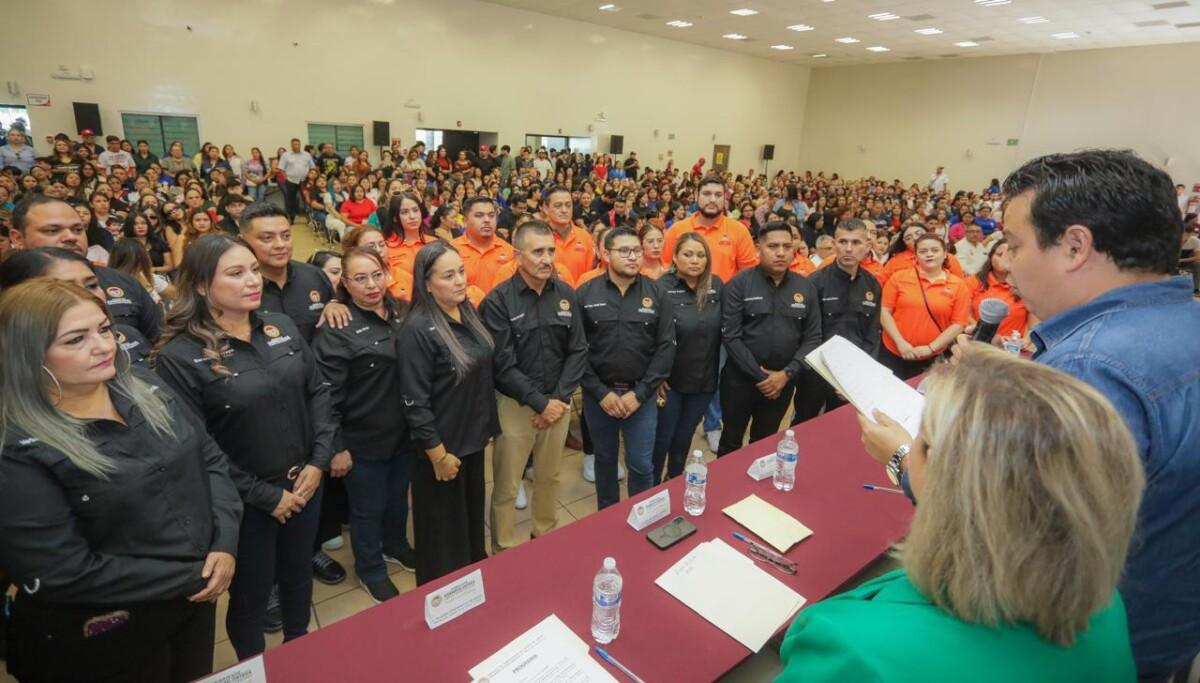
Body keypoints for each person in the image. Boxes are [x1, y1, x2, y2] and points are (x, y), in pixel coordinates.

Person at [781, 345, 1144, 683]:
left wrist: (898, 458)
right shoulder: (1106, 608)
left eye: (921, 437)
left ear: (948, 480)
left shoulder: (853, 650)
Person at [997, 150, 1200, 681]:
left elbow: (1018, 535)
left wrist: (906, 459)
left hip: (1089, 649)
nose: (1008, 263)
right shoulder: (1187, 322)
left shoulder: (1089, 366)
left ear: (1074, 246)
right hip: (1168, 627)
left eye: (1015, 245)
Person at [0, 279, 242, 683]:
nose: (103, 346)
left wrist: (225, 542)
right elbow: (63, 571)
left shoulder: (145, 384)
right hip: (108, 631)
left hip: (193, 601)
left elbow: (209, 458)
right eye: (76, 339)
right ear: (27, 356)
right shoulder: (17, 450)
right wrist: (197, 575)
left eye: (104, 329)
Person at [154, 234, 334, 660]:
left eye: (253, 269)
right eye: (236, 273)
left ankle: (298, 651)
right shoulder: (180, 356)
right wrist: (265, 496)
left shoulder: (279, 325)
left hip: (306, 483)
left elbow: (318, 392)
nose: (253, 280)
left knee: (297, 576)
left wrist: (319, 461)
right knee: (252, 594)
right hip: (245, 502)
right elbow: (197, 446)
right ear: (201, 285)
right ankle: (254, 667)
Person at [235, 201, 350, 588]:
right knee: (266, 496)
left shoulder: (313, 277)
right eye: (267, 238)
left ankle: (311, 551)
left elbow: (334, 321)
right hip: (261, 407)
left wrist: (335, 304)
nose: (280, 244)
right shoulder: (241, 289)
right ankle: (266, 581)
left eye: (285, 235)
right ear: (244, 241)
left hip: (315, 400)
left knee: (313, 481)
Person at [312, 247, 415, 603]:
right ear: (345, 283)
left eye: (376, 275)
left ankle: (395, 545)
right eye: (360, 278)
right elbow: (325, 396)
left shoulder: (404, 311)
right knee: (367, 509)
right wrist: (336, 447)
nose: (371, 285)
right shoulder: (337, 327)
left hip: (405, 433)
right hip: (362, 439)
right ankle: (370, 569)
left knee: (398, 499)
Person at [481, 220, 587, 553]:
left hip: (558, 401)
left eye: (551, 251)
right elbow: (502, 364)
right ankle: (504, 549)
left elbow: (578, 350)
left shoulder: (566, 295)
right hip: (516, 406)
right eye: (537, 251)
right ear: (518, 255)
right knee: (507, 486)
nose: (547, 259)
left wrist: (558, 399)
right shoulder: (498, 301)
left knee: (550, 477)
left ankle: (545, 537)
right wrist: (541, 404)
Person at [398, 241, 499, 584]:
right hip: (442, 450)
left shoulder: (465, 310)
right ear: (426, 284)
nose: (459, 281)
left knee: (469, 526)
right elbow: (414, 401)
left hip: (471, 441)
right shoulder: (417, 330)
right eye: (448, 275)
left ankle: (474, 586)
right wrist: (438, 455)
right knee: (443, 539)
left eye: (461, 271)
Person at [577, 226, 675, 508]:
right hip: (600, 397)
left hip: (641, 396)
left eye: (637, 251)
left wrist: (640, 394)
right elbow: (576, 350)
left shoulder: (658, 293)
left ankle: (642, 515)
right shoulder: (585, 293)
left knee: (641, 464)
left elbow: (666, 348)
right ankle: (608, 516)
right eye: (624, 251)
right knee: (605, 461)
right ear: (606, 254)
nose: (633, 257)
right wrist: (600, 393)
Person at [661, 176, 758, 452]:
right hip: (681, 318)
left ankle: (713, 425)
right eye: (706, 193)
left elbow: (748, 275)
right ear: (696, 195)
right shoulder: (678, 229)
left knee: (714, 374)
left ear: (725, 198)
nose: (712, 199)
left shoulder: (737, 231)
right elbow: (667, 268)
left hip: (720, 317)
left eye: (718, 194)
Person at [718, 222, 822, 455]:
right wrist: (762, 377)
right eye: (773, 246)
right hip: (740, 381)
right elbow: (731, 336)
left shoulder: (805, 287)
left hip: (783, 382)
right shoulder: (738, 284)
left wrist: (786, 375)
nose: (781, 252)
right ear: (758, 249)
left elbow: (813, 337)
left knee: (764, 443)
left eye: (787, 246)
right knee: (730, 442)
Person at [10, 195, 163, 341]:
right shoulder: (7, 295)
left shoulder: (123, 281)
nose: (71, 237)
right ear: (18, 239)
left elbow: (161, 340)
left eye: (78, 229)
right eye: (52, 230)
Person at [792, 219, 881, 424]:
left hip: (852, 374)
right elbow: (806, 333)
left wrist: (860, 375)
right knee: (804, 423)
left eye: (856, 242)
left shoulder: (872, 285)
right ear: (834, 244)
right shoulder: (815, 282)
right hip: (815, 371)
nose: (849, 248)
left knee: (840, 425)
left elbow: (872, 334)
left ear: (867, 246)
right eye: (843, 242)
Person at [653, 233, 723, 482]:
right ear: (674, 257)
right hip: (669, 383)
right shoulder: (660, 288)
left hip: (703, 381)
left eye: (701, 255)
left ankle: (673, 481)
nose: (695, 260)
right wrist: (655, 376)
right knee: (662, 439)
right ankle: (652, 490)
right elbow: (648, 335)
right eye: (688, 254)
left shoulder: (716, 285)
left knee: (684, 438)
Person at [879, 234, 970, 379]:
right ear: (916, 256)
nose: (929, 254)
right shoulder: (899, 278)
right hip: (893, 351)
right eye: (923, 251)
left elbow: (959, 324)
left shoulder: (958, 285)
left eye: (935, 250)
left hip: (933, 356)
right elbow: (884, 311)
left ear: (945, 254)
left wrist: (930, 348)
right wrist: (900, 342)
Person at [967, 238, 1030, 343]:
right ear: (990, 256)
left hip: (1011, 347)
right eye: (999, 254)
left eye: (1009, 256)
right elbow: (965, 315)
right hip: (980, 343)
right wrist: (985, 334)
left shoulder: (1027, 286)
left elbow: (1033, 326)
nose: (1004, 260)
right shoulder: (973, 281)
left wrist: (1024, 341)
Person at [451, 196, 515, 295]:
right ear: (465, 221)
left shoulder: (509, 251)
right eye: (479, 215)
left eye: (491, 215)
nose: (487, 220)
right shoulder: (451, 250)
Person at [540, 187, 595, 283]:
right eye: (558, 206)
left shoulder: (584, 236)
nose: (564, 210)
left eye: (568, 205)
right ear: (546, 208)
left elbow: (591, 275)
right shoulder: (538, 238)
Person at [277, 138, 315, 224]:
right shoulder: (286, 155)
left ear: (300, 145)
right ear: (291, 145)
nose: (296, 146)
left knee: (306, 199)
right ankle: (291, 218)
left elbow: (312, 167)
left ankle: (309, 218)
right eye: (294, 144)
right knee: (291, 200)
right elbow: (281, 169)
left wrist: (310, 178)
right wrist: (286, 178)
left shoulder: (306, 155)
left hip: (304, 181)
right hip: (291, 181)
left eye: (297, 144)